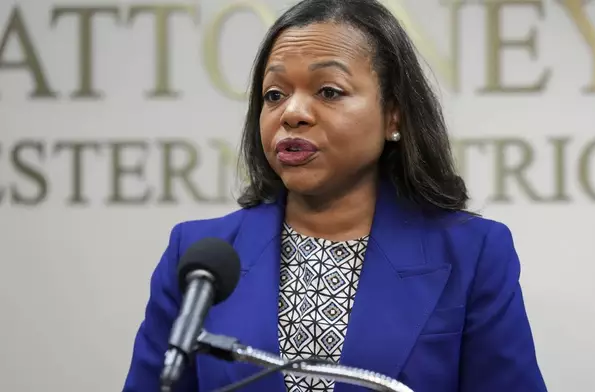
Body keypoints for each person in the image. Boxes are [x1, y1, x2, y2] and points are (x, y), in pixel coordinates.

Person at [123, 0, 547, 391]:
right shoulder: (198, 258)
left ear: (393, 115)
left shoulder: (471, 254)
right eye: (275, 95)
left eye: (328, 91)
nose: (292, 113)